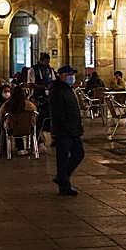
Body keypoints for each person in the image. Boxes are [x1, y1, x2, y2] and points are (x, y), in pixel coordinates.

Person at [49, 65, 84, 196]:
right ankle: (64, 184)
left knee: (78, 154)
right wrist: (65, 128)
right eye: (69, 74)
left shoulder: (68, 89)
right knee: (63, 158)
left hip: (73, 130)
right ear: (61, 75)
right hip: (64, 131)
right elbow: (58, 114)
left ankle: (62, 177)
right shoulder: (57, 91)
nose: (72, 77)